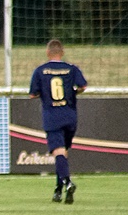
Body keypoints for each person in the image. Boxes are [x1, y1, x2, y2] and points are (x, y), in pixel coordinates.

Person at [29, 39, 87, 203]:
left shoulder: (40, 71)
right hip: (70, 116)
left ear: (48, 53)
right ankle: (58, 190)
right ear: (62, 53)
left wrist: (45, 94)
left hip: (52, 116)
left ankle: (67, 183)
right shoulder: (71, 68)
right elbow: (83, 86)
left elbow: (33, 94)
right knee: (62, 153)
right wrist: (73, 92)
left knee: (59, 152)